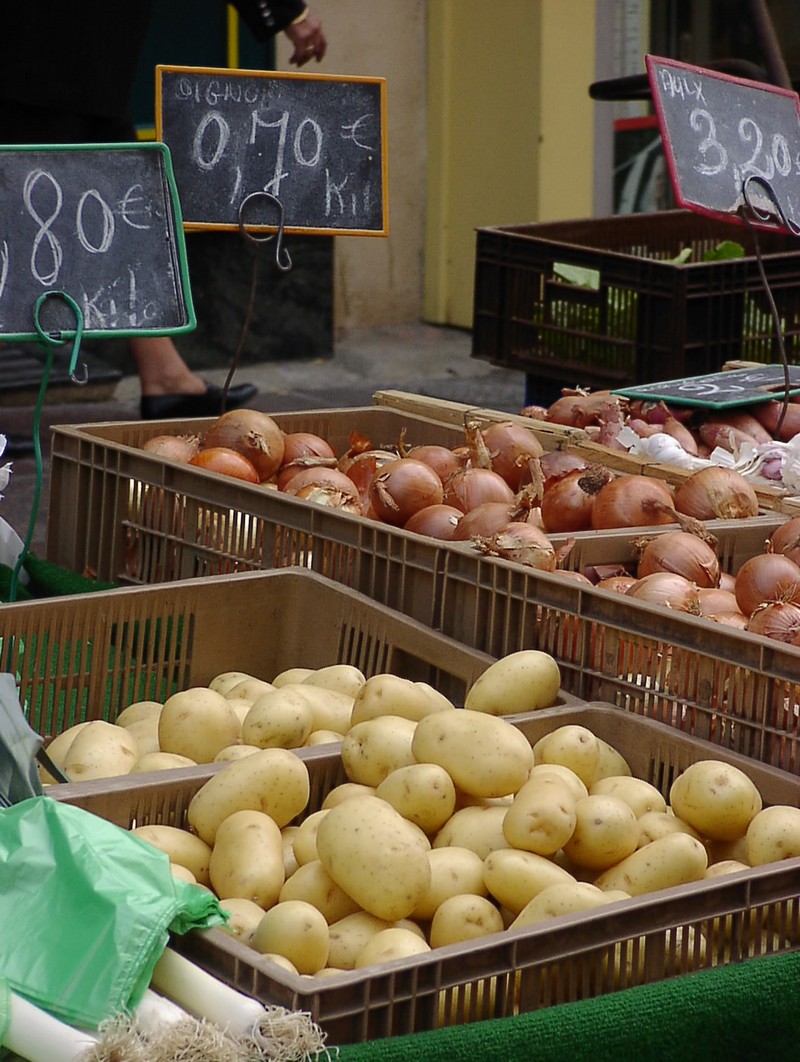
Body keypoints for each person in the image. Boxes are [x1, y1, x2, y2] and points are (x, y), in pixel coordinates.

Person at [0, 2, 327, 426]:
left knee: (117, 194)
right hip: (51, 51)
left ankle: (166, 376)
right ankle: (167, 379)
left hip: (70, 56)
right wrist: (287, 13)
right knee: (28, 221)